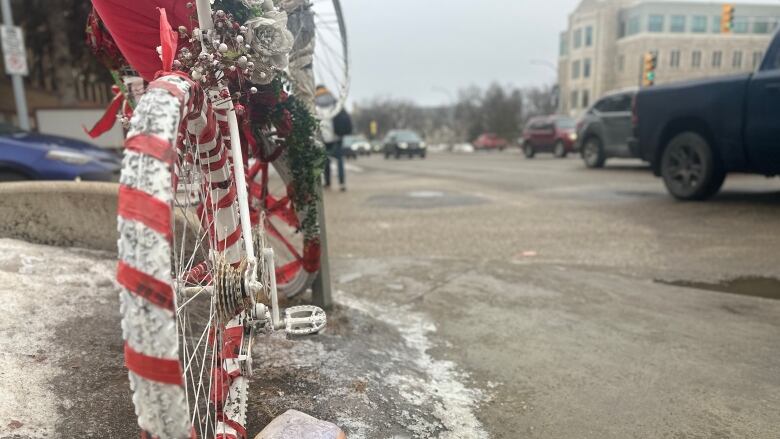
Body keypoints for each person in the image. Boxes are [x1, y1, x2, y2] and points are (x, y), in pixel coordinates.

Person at [315, 85, 352, 191]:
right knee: (340, 161)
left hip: (323, 138)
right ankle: (342, 183)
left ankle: (327, 182)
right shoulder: (334, 102)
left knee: (326, 161)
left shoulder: (315, 104)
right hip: (337, 137)